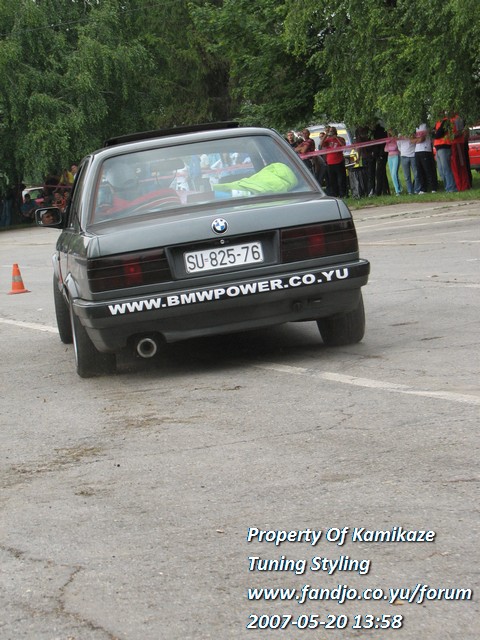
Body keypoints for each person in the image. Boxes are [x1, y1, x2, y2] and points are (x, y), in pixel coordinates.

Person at [319, 126, 347, 197]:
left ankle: (343, 193)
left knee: (341, 179)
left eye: (332, 131)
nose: (331, 132)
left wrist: (336, 137)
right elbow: (321, 144)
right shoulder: (328, 140)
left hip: (339, 161)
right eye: (330, 131)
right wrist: (326, 134)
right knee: (332, 180)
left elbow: (343, 145)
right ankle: (335, 194)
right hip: (330, 162)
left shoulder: (340, 138)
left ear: (335, 131)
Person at [433, 114, 457, 192]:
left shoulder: (446, 121)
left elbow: (439, 134)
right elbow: (432, 134)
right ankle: (447, 186)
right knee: (441, 170)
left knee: (446, 168)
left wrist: (436, 132)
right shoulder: (437, 122)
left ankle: (451, 187)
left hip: (444, 146)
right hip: (437, 147)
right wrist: (435, 133)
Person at [414, 123, 438, 193]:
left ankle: (433, 187)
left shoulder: (426, 125)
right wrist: (417, 140)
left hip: (425, 150)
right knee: (420, 170)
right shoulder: (415, 126)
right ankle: (423, 188)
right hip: (417, 151)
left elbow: (422, 139)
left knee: (428, 170)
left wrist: (416, 140)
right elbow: (411, 140)